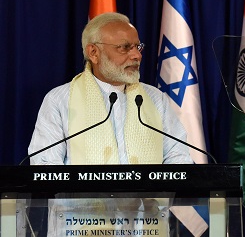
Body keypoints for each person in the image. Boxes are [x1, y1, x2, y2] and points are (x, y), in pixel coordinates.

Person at [28, 12, 193, 165]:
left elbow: (178, 157)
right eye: (124, 47)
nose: (137, 55)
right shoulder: (60, 100)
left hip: (147, 198)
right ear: (94, 53)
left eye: (138, 46)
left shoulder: (155, 98)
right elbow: (45, 165)